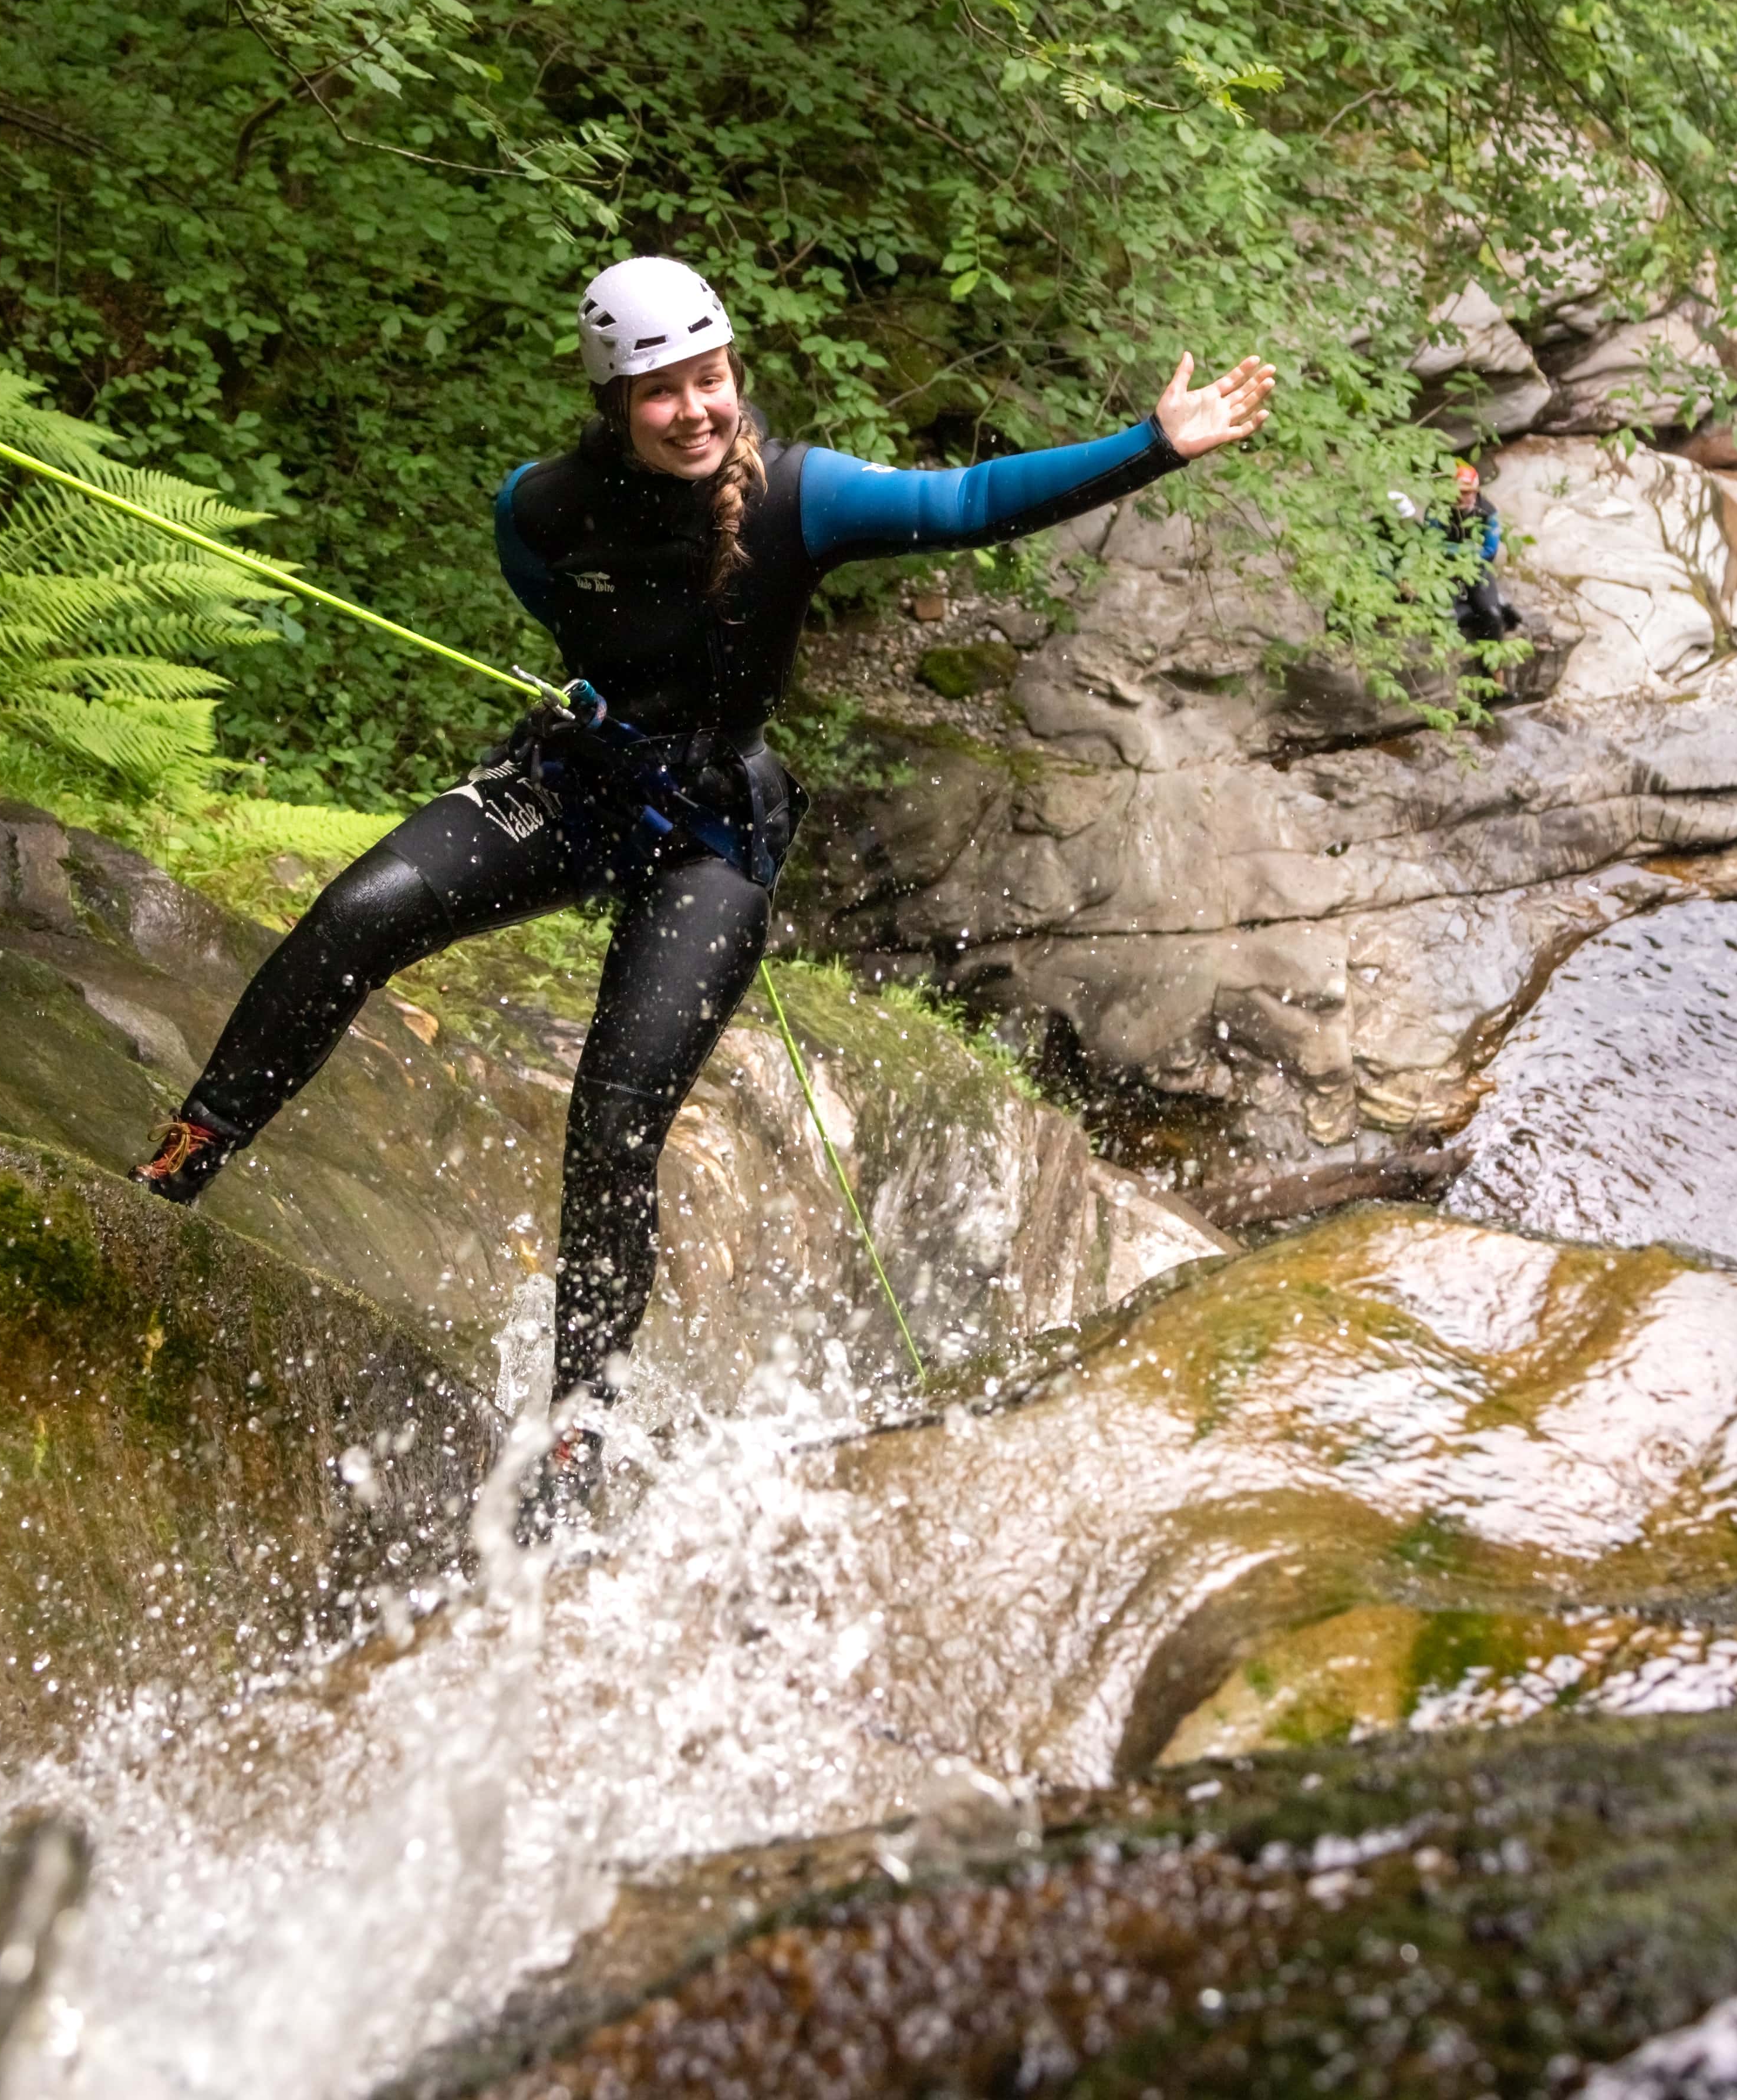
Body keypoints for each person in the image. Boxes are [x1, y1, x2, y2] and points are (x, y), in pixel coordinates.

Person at [130, 255, 1276, 1531]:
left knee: (616, 1118)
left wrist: (1153, 446)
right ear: (615, 401)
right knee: (357, 919)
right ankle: (181, 1165)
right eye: (662, 390)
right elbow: (556, 598)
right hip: (574, 783)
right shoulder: (544, 506)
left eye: (712, 378)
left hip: (709, 836)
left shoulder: (802, 497)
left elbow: (968, 503)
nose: (696, 409)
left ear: (737, 374)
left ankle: (578, 1430)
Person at [1446, 456, 1521, 643]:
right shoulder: (1438, 510)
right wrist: (1465, 550)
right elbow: (1430, 543)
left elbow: (1490, 551)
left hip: (1477, 570)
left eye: (1467, 492)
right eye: (1458, 492)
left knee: (1492, 615)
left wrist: (1459, 553)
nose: (1461, 497)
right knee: (1446, 617)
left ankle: (1494, 667)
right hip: (1444, 571)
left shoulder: (1488, 513)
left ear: (1475, 492)